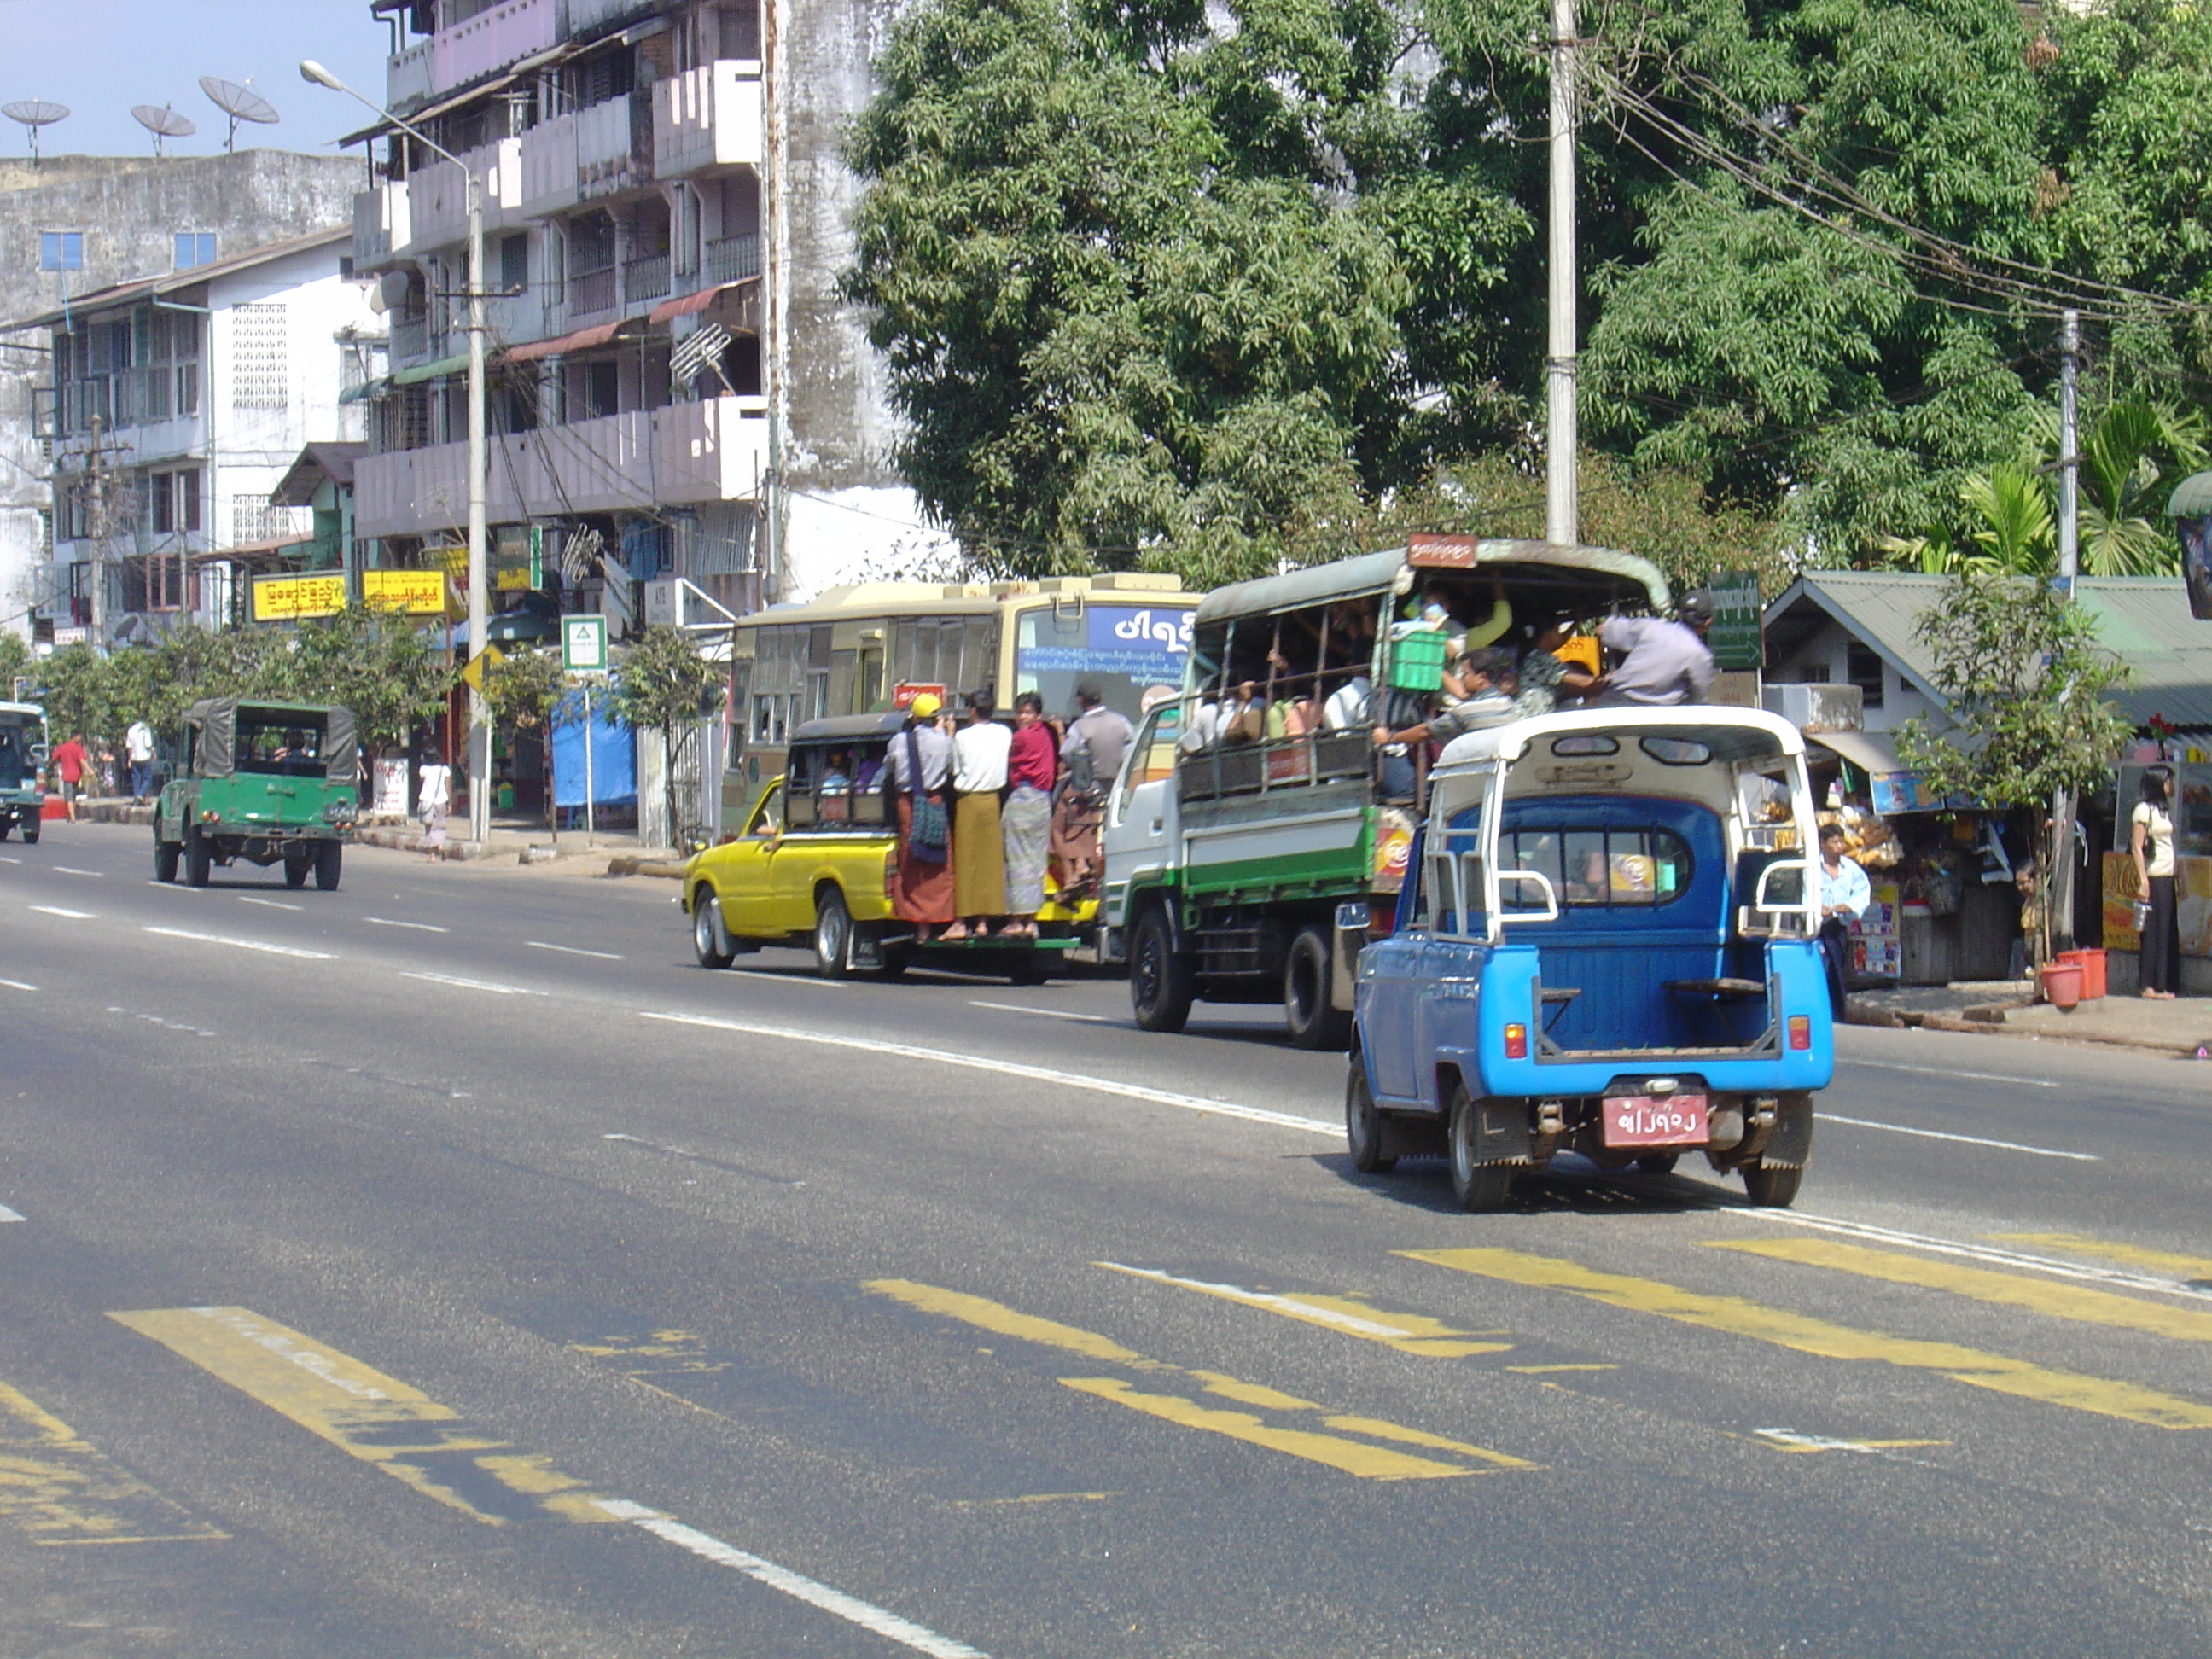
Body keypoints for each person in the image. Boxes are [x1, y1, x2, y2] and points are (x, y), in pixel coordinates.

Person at [882, 692, 956, 937]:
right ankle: (940, 919)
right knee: (938, 860)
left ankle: (919, 925)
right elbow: (951, 770)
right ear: (937, 718)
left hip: (908, 803)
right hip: (934, 802)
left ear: (914, 718)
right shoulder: (944, 742)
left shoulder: (898, 741)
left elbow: (889, 769)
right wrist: (946, 733)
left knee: (911, 859)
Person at [1052, 679, 1132, 896]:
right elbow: (1130, 749)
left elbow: (1067, 755)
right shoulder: (1121, 721)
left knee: (1059, 821)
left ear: (1079, 701)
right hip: (1116, 786)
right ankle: (1081, 865)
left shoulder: (1080, 727)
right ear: (1102, 698)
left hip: (1089, 788)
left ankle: (1076, 868)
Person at [946, 690, 1011, 941]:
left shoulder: (962, 737)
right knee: (989, 862)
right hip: (992, 800)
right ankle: (983, 921)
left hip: (968, 800)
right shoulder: (1004, 733)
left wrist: (950, 735)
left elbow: (956, 769)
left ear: (972, 710)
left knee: (966, 860)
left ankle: (962, 920)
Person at [1593, 593, 1716, 705]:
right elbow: (1699, 701)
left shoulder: (1650, 627)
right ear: (1707, 622)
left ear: (1679, 613)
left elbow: (1601, 630)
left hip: (1612, 701)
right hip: (1650, 715)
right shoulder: (1699, 655)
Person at [1001, 691, 1056, 939]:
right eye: (1020, 712)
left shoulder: (1020, 737)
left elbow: (1012, 765)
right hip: (1042, 803)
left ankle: (1015, 920)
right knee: (1035, 862)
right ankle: (1031, 921)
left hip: (1022, 800)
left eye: (1027, 713)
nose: (1022, 717)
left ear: (1037, 715)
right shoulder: (1045, 734)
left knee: (1015, 861)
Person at [2133, 765, 2180, 999]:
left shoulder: (2163, 810)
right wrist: (2143, 880)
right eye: (2168, 781)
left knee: (2166, 929)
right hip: (2153, 875)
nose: (2171, 785)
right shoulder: (2143, 810)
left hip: (2167, 875)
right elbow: (2136, 847)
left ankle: (2163, 982)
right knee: (2152, 931)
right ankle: (2147, 985)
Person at [1815, 821, 1871, 1018]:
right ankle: (1818, 1013)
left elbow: (1862, 892)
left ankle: (1836, 1014)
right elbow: (1802, 892)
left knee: (1835, 971)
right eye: (1835, 842)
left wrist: (1848, 906)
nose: (1839, 847)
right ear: (1823, 843)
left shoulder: (1850, 869)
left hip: (1836, 928)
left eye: (1841, 842)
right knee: (1818, 970)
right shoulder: (1812, 867)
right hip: (1813, 928)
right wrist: (1815, 907)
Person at [417, 754, 451, 861]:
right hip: (441, 801)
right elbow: (448, 787)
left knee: (429, 827)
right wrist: (449, 803)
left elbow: (421, 781)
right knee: (440, 825)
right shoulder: (444, 770)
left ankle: (432, 856)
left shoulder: (424, 769)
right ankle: (440, 845)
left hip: (427, 801)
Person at [50, 731, 90, 821]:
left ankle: (71, 816)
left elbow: (54, 758)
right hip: (76, 776)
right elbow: (82, 761)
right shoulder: (78, 748)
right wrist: (89, 770)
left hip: (67, 776)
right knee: (73, 796)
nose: (80, 739)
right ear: (74, 737)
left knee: (69, 796)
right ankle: (71, 815)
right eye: (79, 737)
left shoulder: (62, 747)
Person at [125, 717, 155, 804]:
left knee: (136, 779)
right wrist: (153, 753)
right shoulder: (145, 728)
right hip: (145, 758)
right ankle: (141, 794)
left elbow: (129, 747)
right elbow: (148, 744)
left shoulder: (131, 730)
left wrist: (129, 759)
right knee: (147, 778)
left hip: (135, 758)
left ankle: (136, 801)